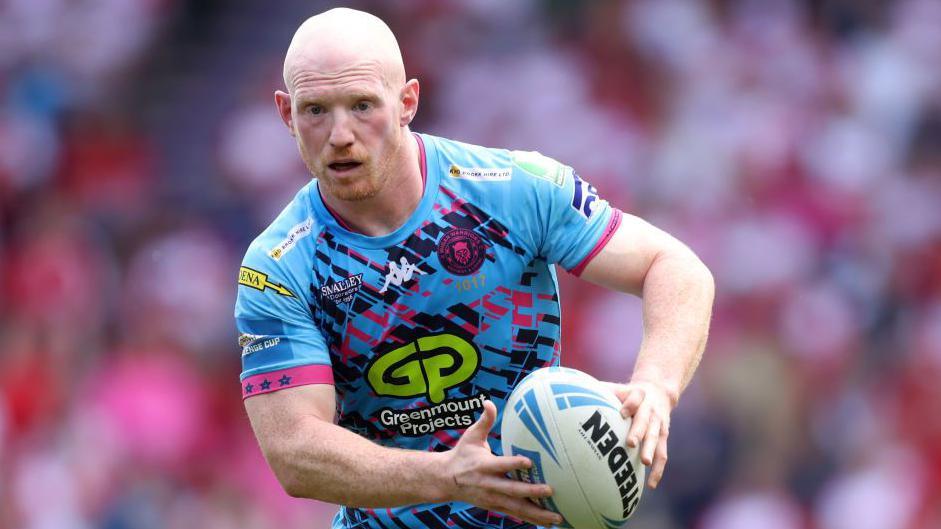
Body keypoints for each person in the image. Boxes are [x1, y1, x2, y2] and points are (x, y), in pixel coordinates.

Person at [235, 7, 715, 529]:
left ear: (407, 102)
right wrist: (448, 475)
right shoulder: (279, 265)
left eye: (362, 105)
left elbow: (675, 267)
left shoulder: (513, 189)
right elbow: (295, 452)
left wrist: (656, 387)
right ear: (286, 114)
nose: (340, 134)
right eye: (315, 111)